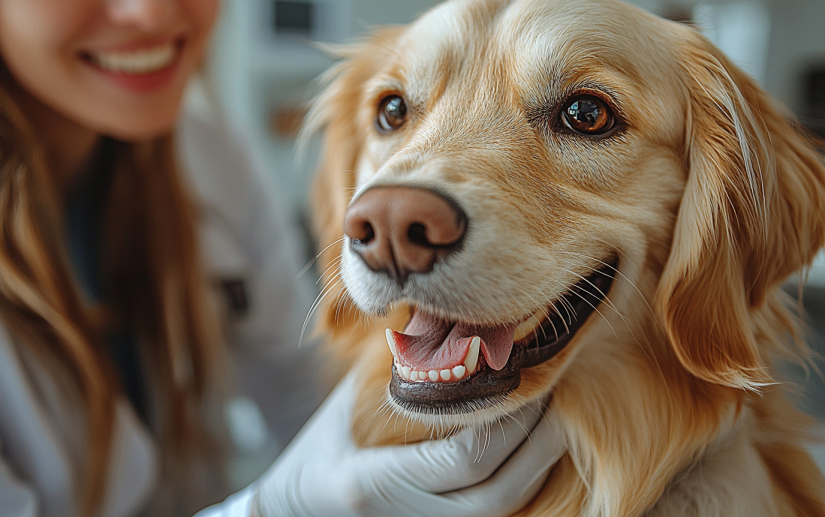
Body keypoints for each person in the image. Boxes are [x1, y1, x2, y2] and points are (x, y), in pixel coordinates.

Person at [0, 1, 567, 516]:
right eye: (396, 111)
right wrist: (275, 509)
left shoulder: (213, 157)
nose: (151, 13)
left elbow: (308, 392)